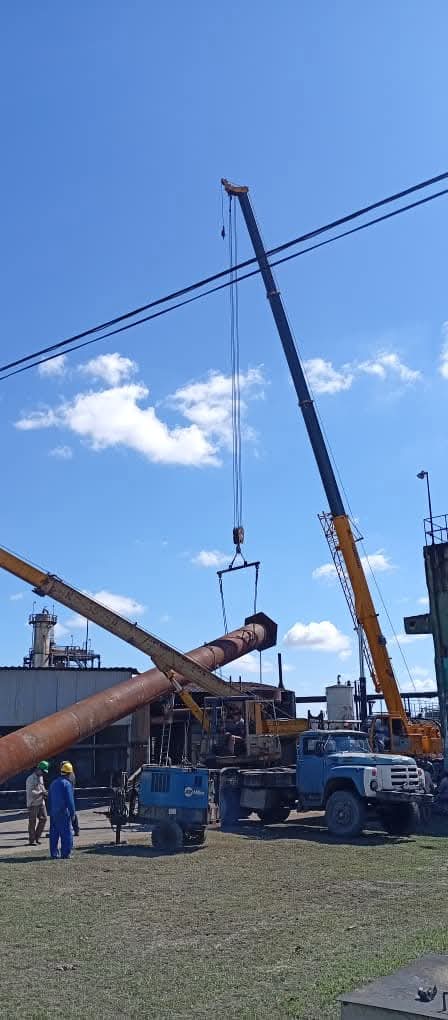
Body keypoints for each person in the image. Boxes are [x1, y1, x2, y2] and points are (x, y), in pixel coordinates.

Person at [48, 762, 77, 859]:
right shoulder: (66, 784)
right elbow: (70, 801)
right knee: (66, 833)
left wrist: (50, 811)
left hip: (53, 812)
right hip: (63, 812)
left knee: (54, 834)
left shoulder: (53, 783)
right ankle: (65, 853)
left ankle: (54, 854)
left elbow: (49, 799)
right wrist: (73, 813)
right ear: (69, 773)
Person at [25, 761, 49, 846]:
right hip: (33, 803)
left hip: (41, 802)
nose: (43, 773)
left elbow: (42, 787)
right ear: (38, 769)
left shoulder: (41, 777)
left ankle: (37, 838)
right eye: (42, 771)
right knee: (32, 822)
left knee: (44, 819)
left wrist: (45, 792)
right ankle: (32, 840)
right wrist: (41, 793)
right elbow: (31, 792)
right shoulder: (30, 779)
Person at [61, 761, 79, 836]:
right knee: (72, 812)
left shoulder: (69, 776)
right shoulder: (72, 774)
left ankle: (70, 829)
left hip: (67, 795)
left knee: (69, 813)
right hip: (70, 795)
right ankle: (76, 829)